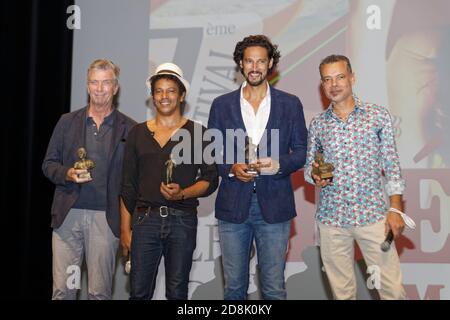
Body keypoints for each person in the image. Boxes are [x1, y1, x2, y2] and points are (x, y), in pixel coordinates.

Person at [207, 35, 308, 300]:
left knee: (274, 288)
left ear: (270, 63)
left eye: (261, 61)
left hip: (275, 207)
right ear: (240, 63)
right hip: (232, 207)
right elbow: (212, 151)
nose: (255, 67)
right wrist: (231, 168)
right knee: (233, 289)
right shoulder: (221, 105)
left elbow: (301, 153)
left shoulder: (290, 103)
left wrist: (278, 165)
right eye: (249, 61)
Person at [304, 54, 406, 300]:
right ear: (322, 85)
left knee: (392, 291)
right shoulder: (318, 124)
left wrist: (396, 208)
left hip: (372, 217)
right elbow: (310, 168)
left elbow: (392, 164)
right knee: (342, 294)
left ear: (352, 77)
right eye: (327, 80)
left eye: (340, 77)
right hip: (332, 220)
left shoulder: (377, 115)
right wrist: (315, 175)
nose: (334, 84)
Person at [120, 62, 218, 300]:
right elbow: (127, 185)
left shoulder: (199, 133)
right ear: (152, 97)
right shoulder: (136, 133)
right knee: (139, 293)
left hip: (182, 222)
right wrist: (125, 230)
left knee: (177, 293)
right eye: (159, 91)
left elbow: (211, 180)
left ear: (181, 95)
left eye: (171, 90)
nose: (165, 96)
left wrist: (182, 193)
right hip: (144, 221)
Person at [42, 59, 137, 300]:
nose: (99, 88)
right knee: (64, 290)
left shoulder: (130, 129)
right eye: (94, 82)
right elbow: (48, 164)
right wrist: (67, 173)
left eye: (106, 83)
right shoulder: (67, 122)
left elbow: (132, 181)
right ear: (87, 86)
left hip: (106, 221)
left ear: (115, 88)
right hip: (67, 218)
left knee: (99, 293)